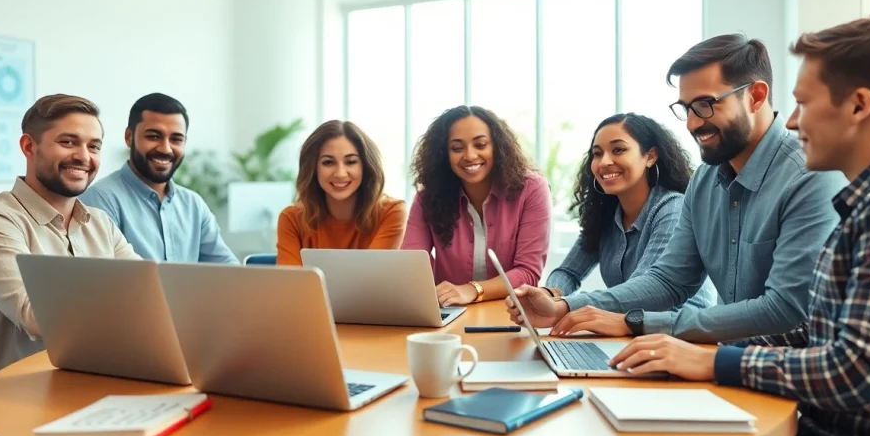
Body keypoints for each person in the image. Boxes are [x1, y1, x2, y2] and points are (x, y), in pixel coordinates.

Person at [611, 15, 870, 436]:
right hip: (822, 434)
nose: (792, 120)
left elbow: (861, 370)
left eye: (803, 104)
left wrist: (715, 363)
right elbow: (814, 333)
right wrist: (693, 351)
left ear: (859, 106)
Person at [507, 34, 845, 343]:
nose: (694, 123)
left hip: (786, 373)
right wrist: (564, 306)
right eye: (686, 109)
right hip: (724, 359)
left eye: (705, 105)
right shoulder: (704, 181)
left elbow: (784, 310)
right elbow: (669, 281)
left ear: (755, 97)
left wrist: (638, 323)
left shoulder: (810, 175)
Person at [0, 94, 139, 376]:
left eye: (93, 146)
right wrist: (123, 302)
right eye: (68, 142)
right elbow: (37, 318)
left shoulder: (100, 223)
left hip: (108, 375)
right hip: (34, 394)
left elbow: (148, 294)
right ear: (28, 146)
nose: (84, 156)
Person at [543, 113, 717, 324]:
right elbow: (568, 272)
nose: (604, 162)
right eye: (597, 154)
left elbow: (645, 290)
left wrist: (565, 306)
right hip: (627, 330)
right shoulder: (605, 214)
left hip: (677, 334)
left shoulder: (673, 209)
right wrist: (550, 295)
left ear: (650, 156)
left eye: (619, 150)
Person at [402, 105, 550, 306]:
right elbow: (411, 264)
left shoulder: (531, 189)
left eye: (480, 145)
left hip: (509, 312)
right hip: (450, 312)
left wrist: (472, 290)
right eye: (457, 148)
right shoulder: (427, 198)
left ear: (497, 146)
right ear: (444, 154)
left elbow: (528, 272)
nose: (470, 156)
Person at [80, 93, 239, 263]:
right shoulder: (100, 199)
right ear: (129, 137)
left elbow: (228, 269)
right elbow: (102, 279)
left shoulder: (193, 205)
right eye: (154, 136)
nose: (166, 149)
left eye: (176, 139)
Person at [276, 120, 405, 265]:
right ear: (313, 168)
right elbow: (293, 284)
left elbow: (369, 279)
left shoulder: (391, 212)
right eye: (328, 162)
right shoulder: (291, 219)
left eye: (351, 162)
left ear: (366, 166)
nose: (340, 173)